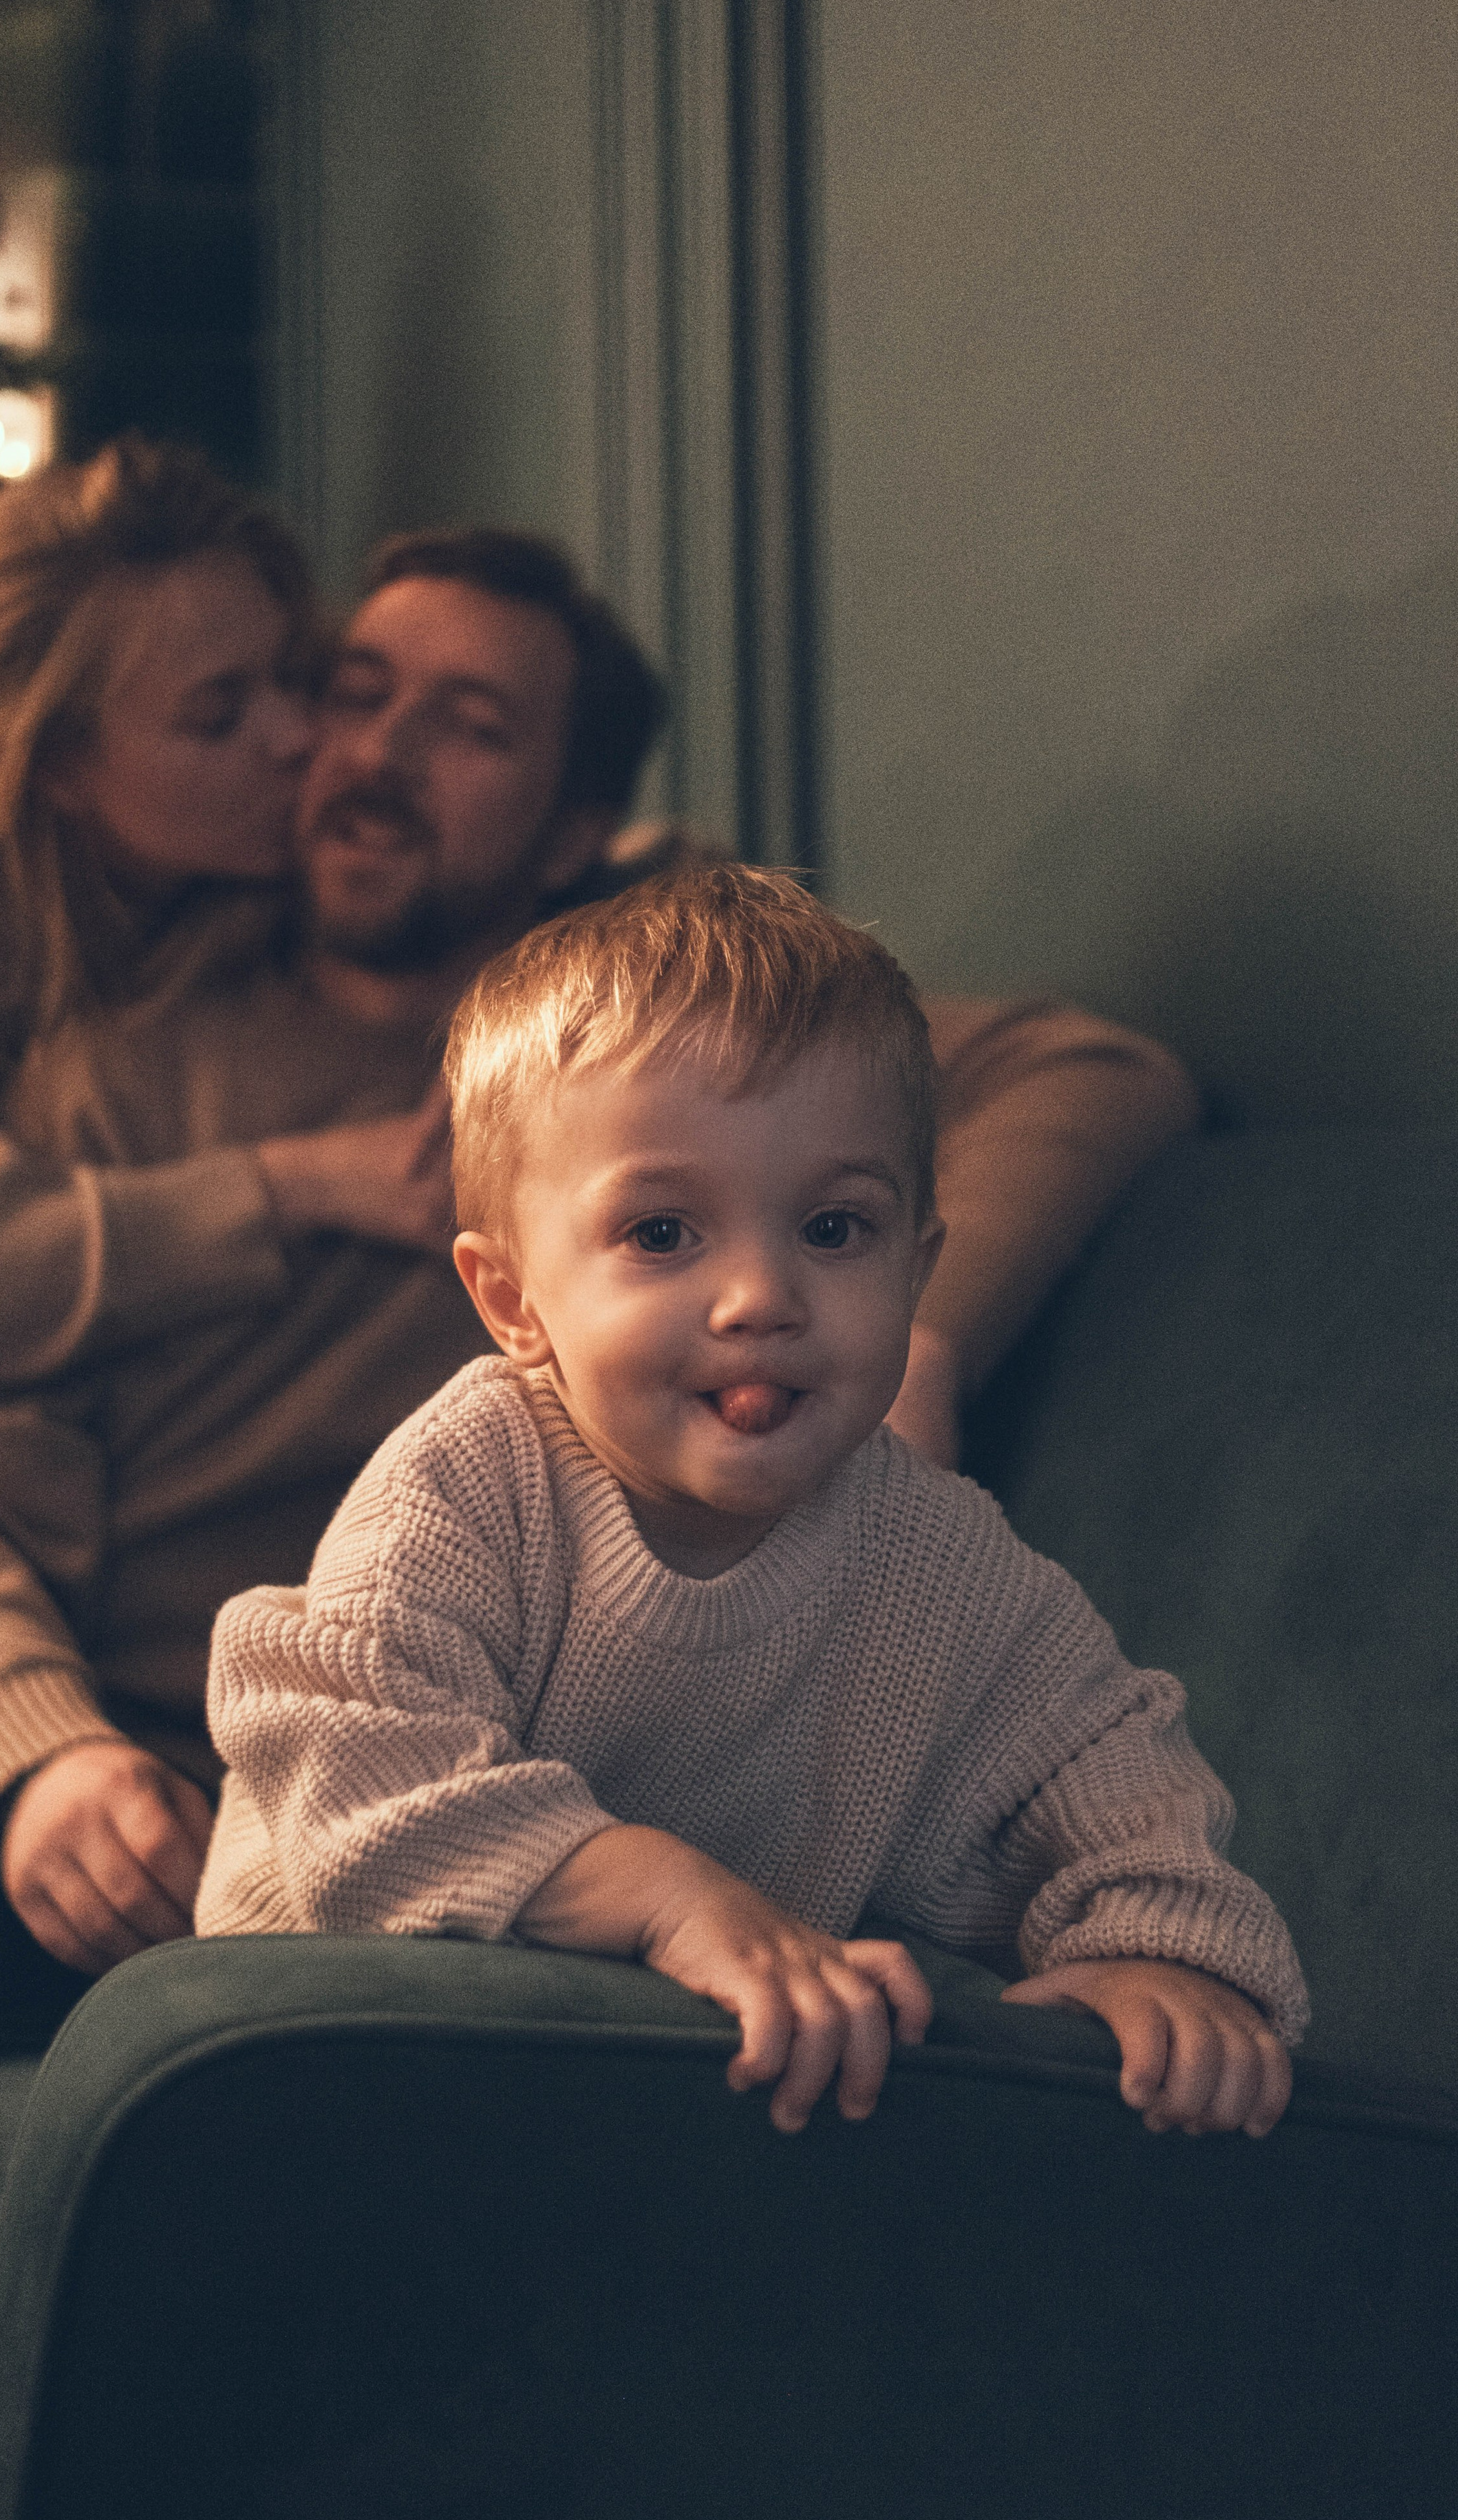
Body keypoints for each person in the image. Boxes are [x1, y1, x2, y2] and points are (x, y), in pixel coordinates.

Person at [0, 473, 1188, 2520]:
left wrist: (922, 1330)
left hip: (393, 1742)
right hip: (97, 1698)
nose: (366, 752)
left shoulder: (642, 1077)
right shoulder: (131, 1052)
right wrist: (31, 1748)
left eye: (466, 725)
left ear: (584, 829)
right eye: (351, 687)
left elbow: (1099, 1065)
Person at [198, 863, 1305, 2139]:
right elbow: (359, 1767)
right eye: (664, 1235)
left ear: (918, 1268)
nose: (761, 1297)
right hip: (317, 2054)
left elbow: (1110, 1770)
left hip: (670, 2103)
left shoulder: (938, 1563)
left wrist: (1161, 1955)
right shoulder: (472, 1481)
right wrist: (666, 1894)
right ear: (512, 1302)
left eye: (836, 1230)